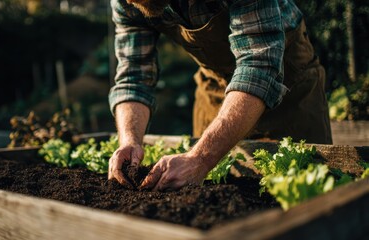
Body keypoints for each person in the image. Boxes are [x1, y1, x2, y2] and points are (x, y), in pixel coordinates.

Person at [107, 0, 332, 191]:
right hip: (215, 84)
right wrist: (130, 141)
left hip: (288, 81)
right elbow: (133, 76)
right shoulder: (126, 2)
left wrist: (201, 158)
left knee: (301, 191)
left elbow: (259, 64)